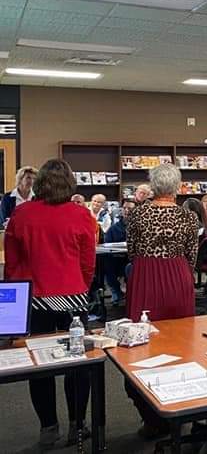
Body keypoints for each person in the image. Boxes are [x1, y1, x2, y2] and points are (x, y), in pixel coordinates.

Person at [4, 159, 96, 448]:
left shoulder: (21, 214)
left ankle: (48, 427)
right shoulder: (81, 215)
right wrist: (81, 286)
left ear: (39, 182)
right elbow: (87, 262)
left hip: (36, 298)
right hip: (73, 296)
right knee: (78, 365)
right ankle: (77, 426)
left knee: (39, 367)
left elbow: (13, 263)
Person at [125, 163, 200, 322]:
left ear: (153, 185)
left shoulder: (138, 213)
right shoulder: (189, 216)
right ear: (177, 186)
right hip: (178, 274)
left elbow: (131, 251)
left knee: (143, 334)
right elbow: (192, 255)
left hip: (144, 275)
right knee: (181, 332)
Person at [103, 199, 136, 304]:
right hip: (117, 257)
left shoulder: (140, 226)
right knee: (106, 264)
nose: (126, 211)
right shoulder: (114, 228)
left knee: (130, 266)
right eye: (124, 208)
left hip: (133, 258)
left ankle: (131, 294)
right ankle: (117, 292)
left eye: (130, 208)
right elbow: (107, 243)